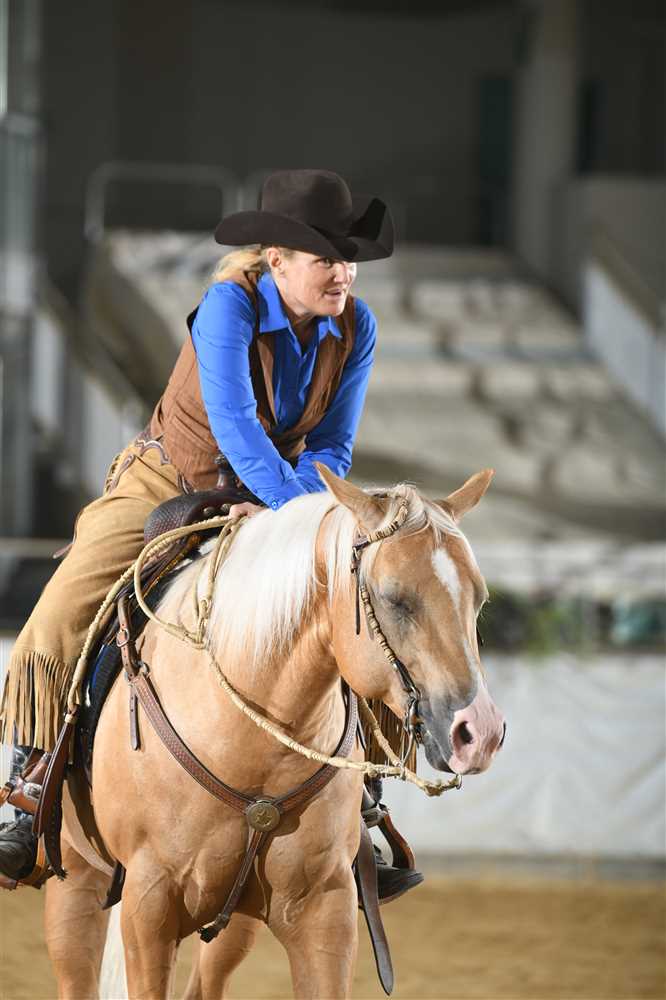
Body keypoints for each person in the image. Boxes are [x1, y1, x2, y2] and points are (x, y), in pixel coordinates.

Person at [0, 168, 421, 899]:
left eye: (349, 258)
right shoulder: (230, 304)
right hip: (169, 480)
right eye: (326, 258)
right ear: (277, 259)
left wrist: (299, 513)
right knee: (63, 607)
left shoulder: (359, 327)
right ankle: (26, 791)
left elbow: (333, 444)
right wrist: (295, 516)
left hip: (279, 494)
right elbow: (235, 427)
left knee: (359, 607)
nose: (344, 273)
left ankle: (364, 802)